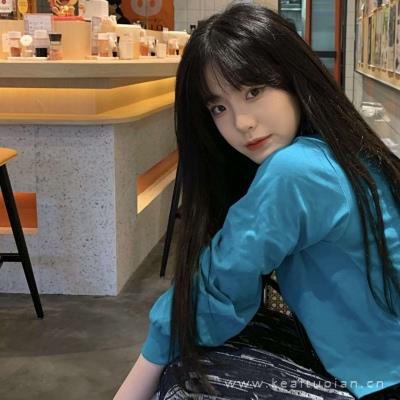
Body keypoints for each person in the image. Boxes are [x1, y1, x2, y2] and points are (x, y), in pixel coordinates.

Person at [113, 3, 400, 400]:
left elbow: (219, 283)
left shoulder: (297, 169)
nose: (242, 122)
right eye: (219, 107)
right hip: (376, 366)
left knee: (184, 382)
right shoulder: (341, 148)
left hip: (382, 379)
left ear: (293, 77)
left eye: (254, 91)